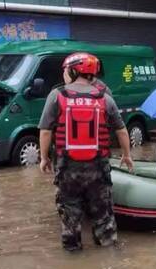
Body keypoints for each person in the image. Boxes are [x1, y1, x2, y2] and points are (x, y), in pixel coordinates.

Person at [39, 52, 134, 252]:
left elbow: (46, 130)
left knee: (70, 218)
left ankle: (73, 258)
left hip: (67, 170)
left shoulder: (57, 95)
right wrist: (127, 155)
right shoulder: (105, 98)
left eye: (65, 70)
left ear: (74, 70)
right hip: (98, 169)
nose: (64, 74)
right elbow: (122, 130)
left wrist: (44, 158)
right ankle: (108, 253)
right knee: (103, 217)